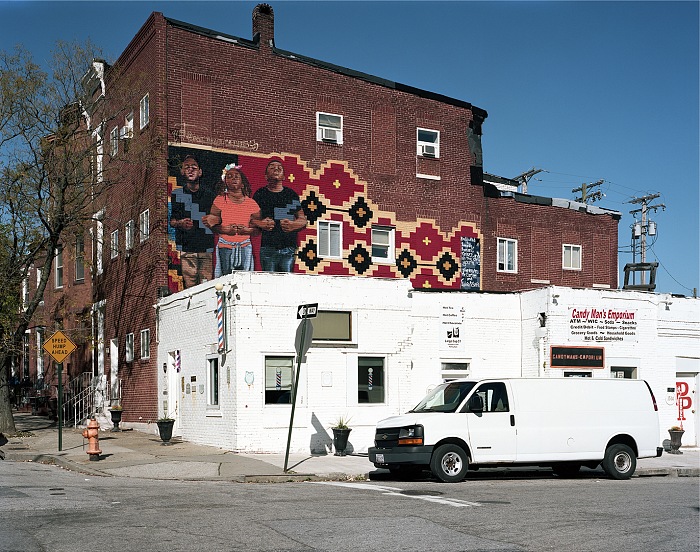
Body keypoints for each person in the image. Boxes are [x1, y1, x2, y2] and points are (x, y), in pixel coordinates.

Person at [251, 159, 307, 272]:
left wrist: (293, 225)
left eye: (279, 168)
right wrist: (261, 224)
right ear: (266, 176)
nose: (276, 169)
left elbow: (303, 219)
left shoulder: (290, 195)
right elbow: (251, 220)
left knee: (285, 282)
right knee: (269, 282)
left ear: (284, 177)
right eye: (272, 167)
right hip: (268, 247)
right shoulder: (260, 194)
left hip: (288, 247)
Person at [204, 164, 260, 274]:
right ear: (225, 182)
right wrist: (225, 230)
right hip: (225, 246)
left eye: (236, 176)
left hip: (245, 247)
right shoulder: (219, 200)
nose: (233, 178)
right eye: (229, 176)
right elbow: (213, 226)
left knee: (244, 281)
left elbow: (257, 230)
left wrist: (246, 231)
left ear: (243, 183)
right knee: (225, 280)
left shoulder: (252, 204)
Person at [170, 155, 216, 288]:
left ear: (200, 172)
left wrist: (213, 220)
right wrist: (181, 223)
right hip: (187, 248)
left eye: (194, 167)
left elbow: (217, 218)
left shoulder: (209, 195)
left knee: (206, 287)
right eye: (187, 167)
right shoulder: (177, 194)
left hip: (206, 248)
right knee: (190, 288)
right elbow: (172, 221)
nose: (190, 170)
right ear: (182, 172)